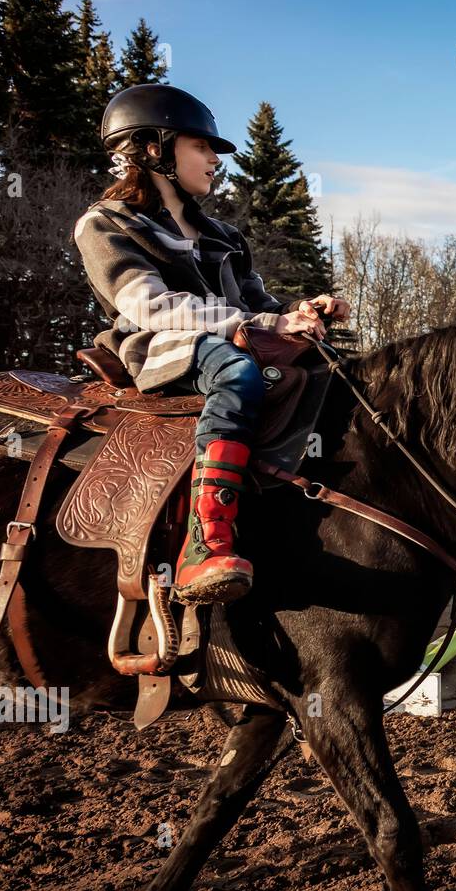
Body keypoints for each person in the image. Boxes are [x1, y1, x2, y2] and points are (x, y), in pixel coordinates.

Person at [73, 83, 349, 605]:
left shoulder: (223, 236)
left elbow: (257, 306)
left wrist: (298, 316)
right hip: (156, 348)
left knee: (326, 369)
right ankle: (206, 542)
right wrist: (250, 326)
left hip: (229, 339)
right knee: (236, 372)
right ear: (153, 149)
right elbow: (148, 305)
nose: (213, 160)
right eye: (201, 147)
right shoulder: (104, 224)